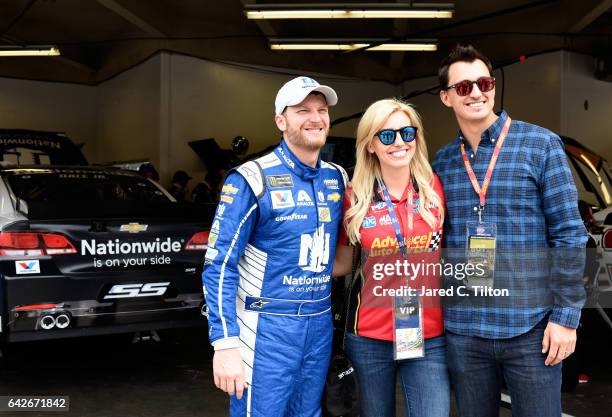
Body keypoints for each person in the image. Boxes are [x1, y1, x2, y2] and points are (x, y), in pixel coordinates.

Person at [432, 44, 587, 417]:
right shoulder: (442, 161)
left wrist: (566, 319)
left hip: (530, 329)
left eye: (483, 83)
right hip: (465, 331)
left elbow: (570, 234)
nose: (477, 93)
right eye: (464, 87)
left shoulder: (541, 145)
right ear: (446, 97)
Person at [202, 76, 348, 417]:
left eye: (321, 110)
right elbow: (219, 264)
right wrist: (224, 343)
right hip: (265, 327)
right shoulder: (251, 178)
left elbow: (345, 251)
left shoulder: (337, 178)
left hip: (319, 323)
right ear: (281, 121)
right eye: (302, 111)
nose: (315, 118)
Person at [333, 99, 449, 417]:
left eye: (407, 133)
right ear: (370, 144)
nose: (399, 142)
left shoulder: (434, 189)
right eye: (387, 136)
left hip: (427, 332)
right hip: (369, 336)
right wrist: (282, 269)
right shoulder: (353, 198)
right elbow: (343, 264)